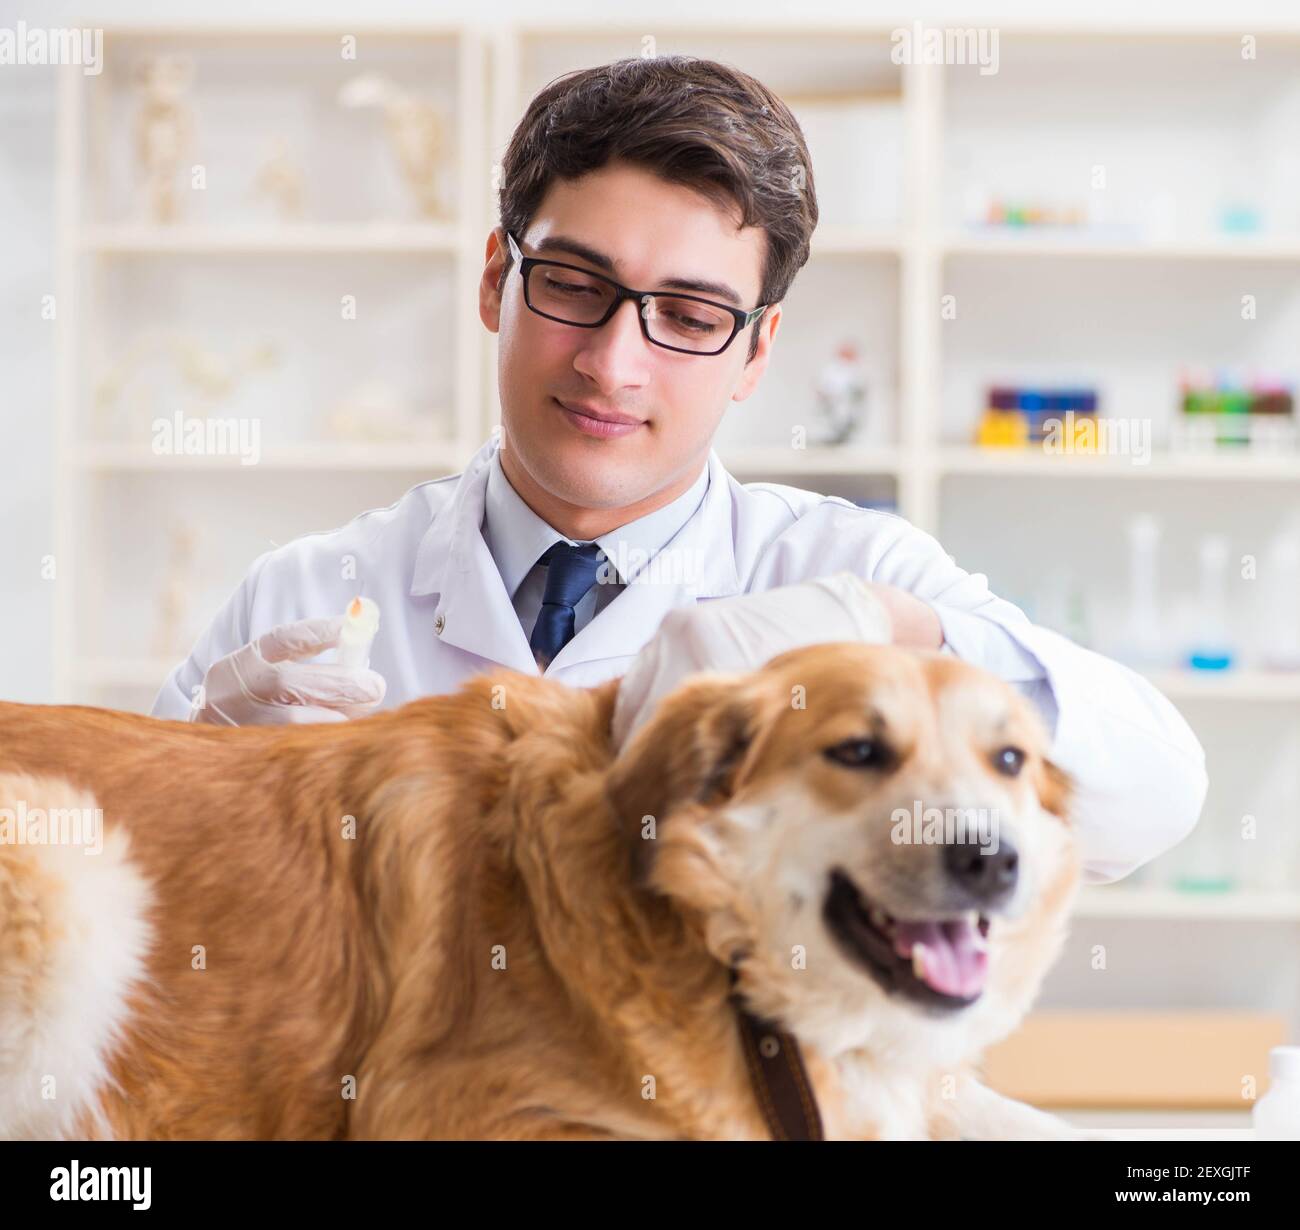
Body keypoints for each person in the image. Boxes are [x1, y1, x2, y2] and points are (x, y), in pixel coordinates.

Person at [151, 55, 1206, 885]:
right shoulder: (306, 594)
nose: (613, 363)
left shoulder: (844, 566)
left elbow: (1150, 797)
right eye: (570, 283)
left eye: (691, 317)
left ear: (755, 351)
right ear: (493, 281)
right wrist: (202, 800)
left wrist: (893, 628)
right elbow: (129, 948)